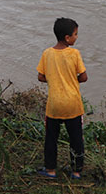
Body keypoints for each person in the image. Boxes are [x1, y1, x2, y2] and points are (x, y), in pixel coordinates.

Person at [36, 17, 88, 179]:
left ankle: (50, 170)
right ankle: (76, 171)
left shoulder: (47, 53)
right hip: (72, 104)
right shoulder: (74, 54)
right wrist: (73, 80)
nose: (77, 37)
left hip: (54, 105)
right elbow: (84, 77)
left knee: (51, 138)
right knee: (76, 140)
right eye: (75, 34)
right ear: (67, 38)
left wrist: (53, 79)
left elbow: (41, 77)